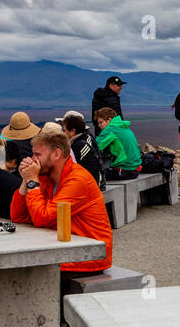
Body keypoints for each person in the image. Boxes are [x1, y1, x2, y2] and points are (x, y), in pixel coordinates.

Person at [10, 129, 113, 289]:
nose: (32, 159)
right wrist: (26, 180)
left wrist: (32, 181)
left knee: (20, 279)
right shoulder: (47, 177)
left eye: (37, 154)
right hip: (64, 250)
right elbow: (18, 216)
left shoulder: (77, 180)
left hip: (85, 257)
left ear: (56, 154)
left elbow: (42, 218)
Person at [94, 107, 142, 181]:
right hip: (135, 169)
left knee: (91, 175)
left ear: (109, 120)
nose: (99, 125)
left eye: (101, 122)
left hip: (125, 170)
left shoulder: (110, 129)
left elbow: (94, 146)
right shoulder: (123, 127)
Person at [61, 111, 105, 188]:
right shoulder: (82, 140)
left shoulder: (79, 145)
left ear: (73, 131)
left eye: (64, 130)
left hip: (91, 185)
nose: (63, 133)